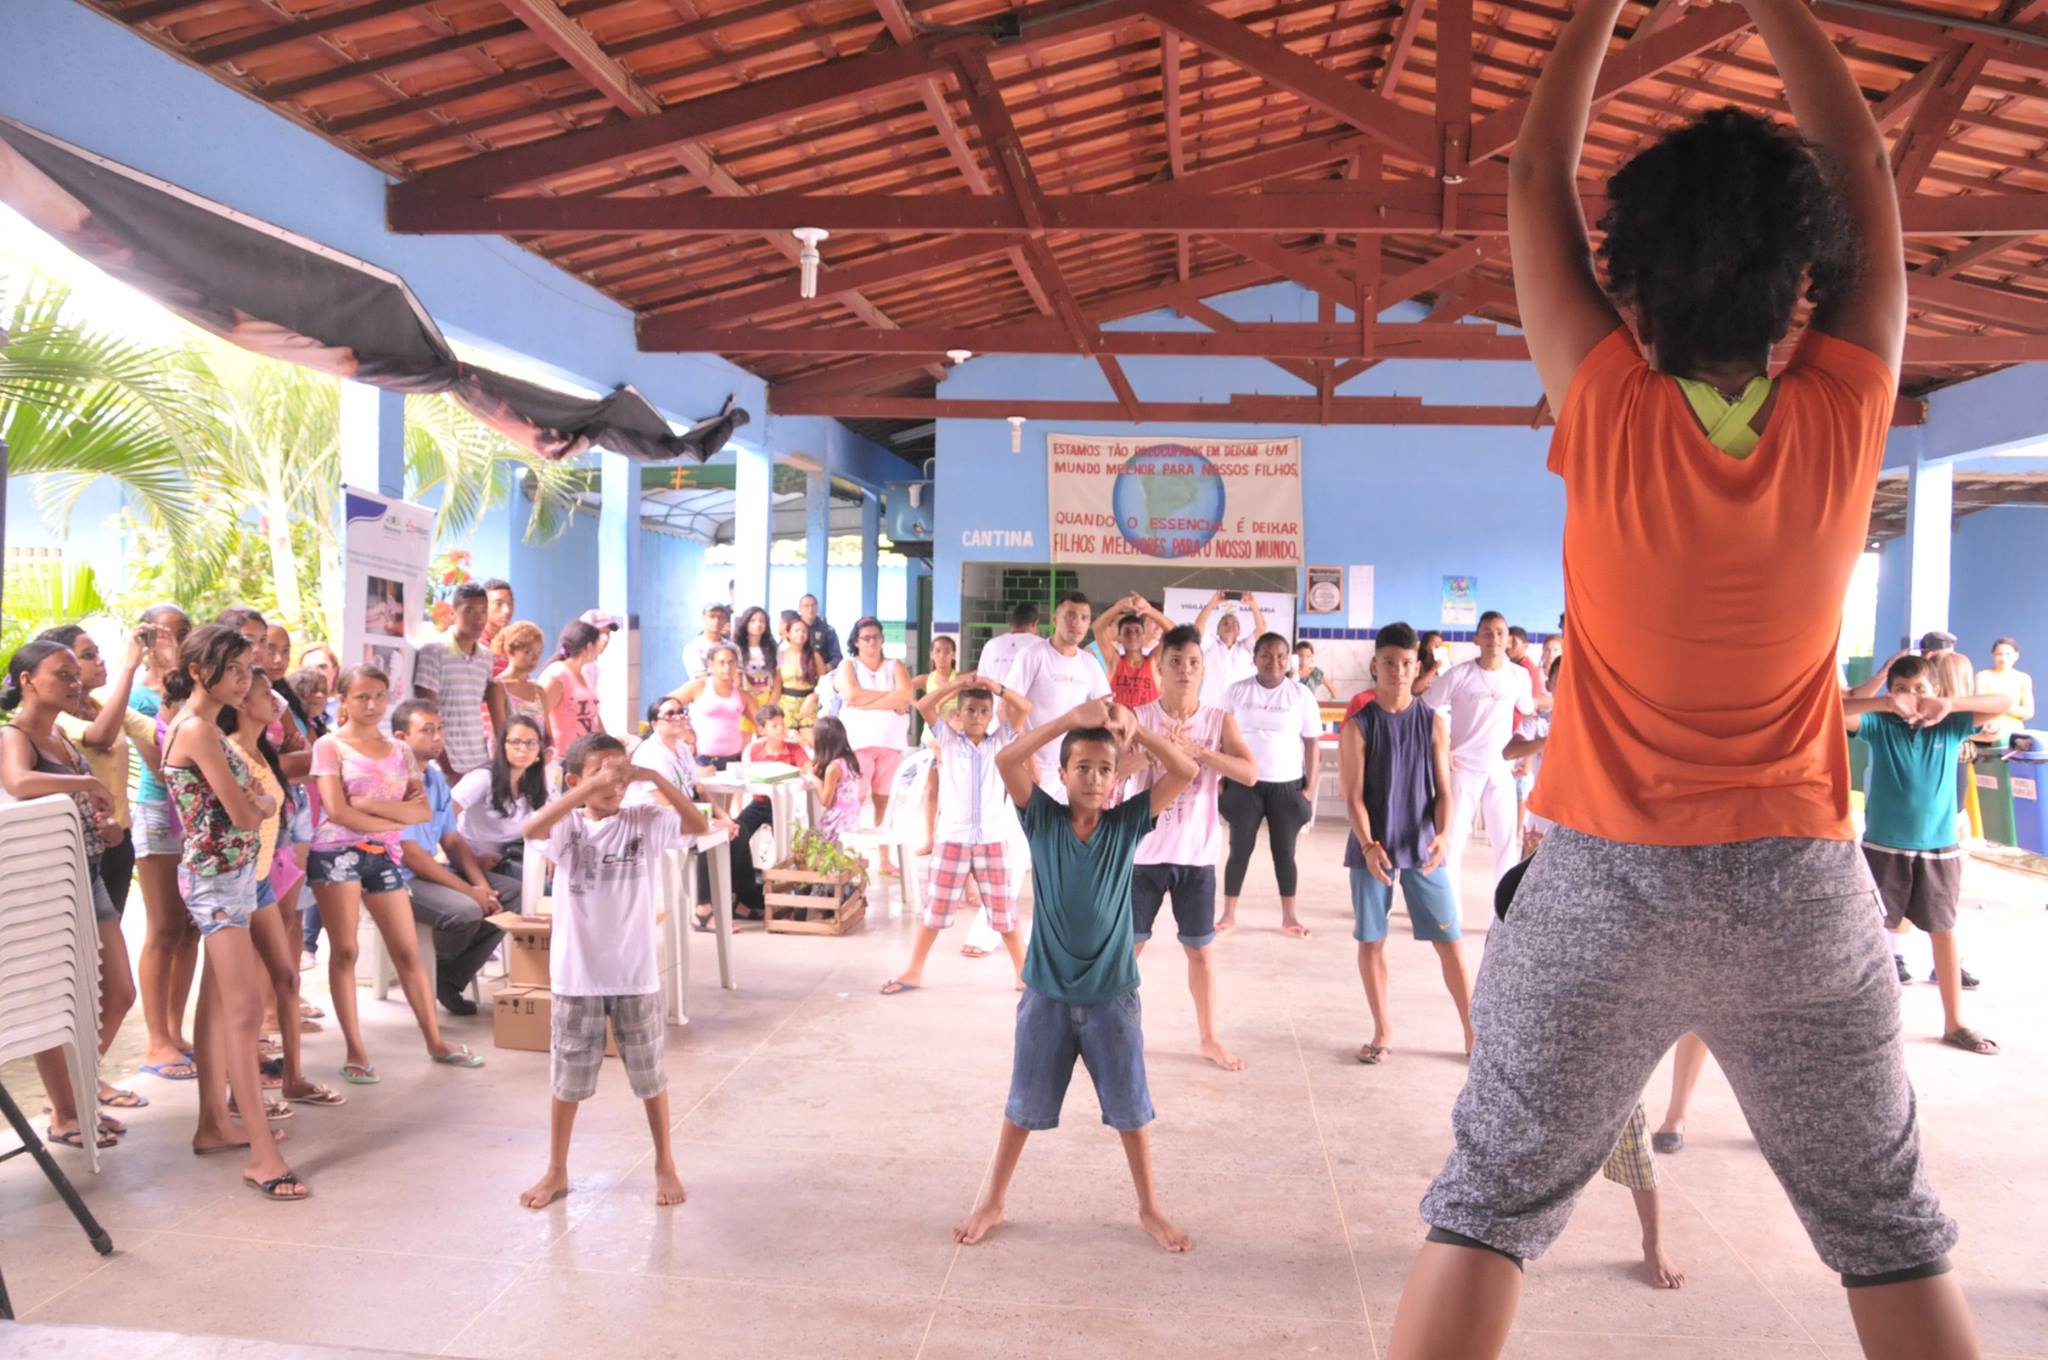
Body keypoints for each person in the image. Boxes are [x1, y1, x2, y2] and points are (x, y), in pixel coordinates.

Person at [1385, 0, 1980, 1350]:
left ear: (1631, 288)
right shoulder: (1846, 408)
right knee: (1889, 1231)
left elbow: (1537, 173)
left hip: (1603, 880)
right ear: (1803, 277)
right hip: (1802, 892)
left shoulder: (1605, 406)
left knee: (1486, 1209)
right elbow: (1871, 175)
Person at [951, 698, 1199, 1252]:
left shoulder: (1127, 823)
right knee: (1022, 1108)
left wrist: (1140, 730)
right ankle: (992, 1200)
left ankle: (1150, 1209)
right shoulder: (1041, 817)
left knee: (1131, 1113)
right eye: (1081, 768)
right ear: (1061, 775)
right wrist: (1066, 722)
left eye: (1105, 770)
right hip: (1047, 995)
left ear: (1117, 780)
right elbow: (1007, 761)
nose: (1092, 779)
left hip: (1113, 997)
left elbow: (1184, 771)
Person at [516, 732, 709, 1211]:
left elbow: (698, 824)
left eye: (620, 772)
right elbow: (530, 831)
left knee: (650, 1076)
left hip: (635, 973)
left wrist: (652, 776)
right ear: (575, 780)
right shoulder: (567, 827)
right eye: (603, 773)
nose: (615, 783)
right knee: (568, 1078)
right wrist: (589, 786)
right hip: (577, 975)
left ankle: (665, 1161)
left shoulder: (644, 820)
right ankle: (557, 1169)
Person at [155, 626, 306, 1198]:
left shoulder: (208, 728)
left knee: (221, 1006)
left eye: (250, 669)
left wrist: (258, 802)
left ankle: (215, 1125)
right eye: (237, 669)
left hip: (237, 876)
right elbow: (246, 815)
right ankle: (262, 1156)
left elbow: (251, 805)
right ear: (200, 672)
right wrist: (262, 802)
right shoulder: (196, 730)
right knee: (244, 1012)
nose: (247, 679)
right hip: (217, 882)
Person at [308, 665, 485, 1084]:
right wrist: (383, 816)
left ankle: (436, 1042)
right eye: (361, 697)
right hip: (337, 855)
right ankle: (355, 1049)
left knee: (407, 953)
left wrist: (368, 807)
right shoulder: (329, 747)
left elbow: (421, 812)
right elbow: (335, 811)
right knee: (346, 951)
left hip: (383, 855)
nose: (371, 706)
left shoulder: (400, 752)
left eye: (379, 697)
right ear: (343, 700)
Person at [2, 639, 131, 1149]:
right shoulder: (15, 734)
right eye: (63, 674)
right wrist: (81, 783)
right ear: (28, 680)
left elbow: (91, 809)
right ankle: (65, 1110)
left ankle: (78, 1092)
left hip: (89, 869)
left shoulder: (61, 734)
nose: (75, 682)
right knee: (55, 1002)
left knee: (118, 992)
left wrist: (110, 825)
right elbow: (15, 779)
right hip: (47, 881)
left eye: (77, 674)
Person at [1846, 655, 2008, 1056]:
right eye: (1903, 690)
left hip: (1938, 849)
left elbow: (2002, 701)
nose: (1912, 697)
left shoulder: (1951, 725)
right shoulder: (1880, 725)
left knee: (1944, 931)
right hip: (1884, 846)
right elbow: (1833, 710)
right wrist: (1883, 697)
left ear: (1935, 690)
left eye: (1921, 689)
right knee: (1867, 935)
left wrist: (1950, 704)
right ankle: (1859, 1021)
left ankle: (1955, 1023)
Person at [1118, 625, 1255, 1069]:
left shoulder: (1219, 721)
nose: (1184, 669)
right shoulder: (1136, 717)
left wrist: (1198, 752)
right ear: (1160, 668)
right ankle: (1116, 1032)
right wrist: (1156, 752)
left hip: (1196, 856)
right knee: (1128, 948)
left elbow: (1249, 772)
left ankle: (1209, 1038)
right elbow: (1114, 769)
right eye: (1175, 661)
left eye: (1193, 662)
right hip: (1142, 855)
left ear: (1203, 669)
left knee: (1200, 951)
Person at [1339, 622, 1471, 1063]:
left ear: (1418, 667)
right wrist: (1369, 845)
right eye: (1390, 663)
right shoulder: (1359, 725)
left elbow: (1444, 791)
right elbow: (1353, 797)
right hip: (1372, 849)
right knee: (1372, 940)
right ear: (1375, 665)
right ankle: (1382, 1029)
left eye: (1407, 664)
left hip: (1422, 847)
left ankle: (1473, 1033)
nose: (1398, 672)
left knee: (1449, 940)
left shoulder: (1433, 722)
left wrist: (1445, 835)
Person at [224, 666, 343, 1115]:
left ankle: (293, 1079)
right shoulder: (231, 752)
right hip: (240, 882)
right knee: (244, 994)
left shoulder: (265, 751)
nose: (276, 698)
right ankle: (241, 1093)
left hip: (264, 878)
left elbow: (316, 759)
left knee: (287, 977)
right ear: (239, 702)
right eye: (263, 693)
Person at [881, 672, 1032, 995]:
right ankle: (913, 971)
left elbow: (1025, 707)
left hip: (991, 839)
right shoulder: (948, 740)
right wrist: (956, 685)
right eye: (970, 711)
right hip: (953, 839)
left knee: (1004, 911)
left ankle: (1023, 974)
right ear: (959, 715)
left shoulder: (1000, 742)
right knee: (936, 910)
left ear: (992, 715)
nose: (977, 716)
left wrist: (996, 688)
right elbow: (923, 704)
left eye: (983, 711)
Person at [390, 699, 520, 1015]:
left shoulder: (434, 777)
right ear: (401, 737)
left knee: (513, 893)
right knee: (466, 910)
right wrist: (471, 892)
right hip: (397, 879)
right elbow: (412, 857)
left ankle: (449, 978)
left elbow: (452, 839)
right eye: (427, 730)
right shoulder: (392, 780)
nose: (438, 737)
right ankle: (431, 970)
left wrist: (480, 884)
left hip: (430, 870)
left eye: (440, 729)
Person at [130, 603, 201, 1081]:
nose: (169, 641)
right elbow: (164, 759)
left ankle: (176, 1030)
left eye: (179, 633)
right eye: (160, 634)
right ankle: (156, 1039)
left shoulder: (194, 687)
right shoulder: (137, 696)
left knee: (191, 927)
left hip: (197, 812)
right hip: (159, 811)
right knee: (163, 927)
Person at [1218, 632, 1323, 938]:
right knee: (1239, 850)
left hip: (1287, 786)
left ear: (1288, 659)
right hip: (1243, 785)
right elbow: (1219, 738)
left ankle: (1289, 917)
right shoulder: (1236, 692)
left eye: (1280, 656)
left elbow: (1312, 744)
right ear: (1254, 659)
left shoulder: (1301, 695)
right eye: (1265, 655)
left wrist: (1309, 789)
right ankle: (1228, 915)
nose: (1273, 662)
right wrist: (1220, 782)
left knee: (1284, 853)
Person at [1431, 611, 1535, 911]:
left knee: (1506, 844)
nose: (1494, 639)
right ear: (1477, 639)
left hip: (1500, 771)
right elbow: (1428, 709)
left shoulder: (1519, 676)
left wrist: (1522, 754)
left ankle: (1503, 912)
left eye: (1500, 633)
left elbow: (1527, 711)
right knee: (1452, 842)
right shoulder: (1458, 675)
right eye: (1487, 633)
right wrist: (1443, 749)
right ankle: (1448, 911)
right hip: (1463, 769)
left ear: (1509, 639)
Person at [1002, 593, 1111, 796]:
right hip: (1033, 768)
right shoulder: (1033, 655)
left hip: (1072, 770)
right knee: (1021, 828)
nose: (1077, 623)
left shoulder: (1089, 664)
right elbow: (1008, 709)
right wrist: (1027, 758)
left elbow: (1106, 709)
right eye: (1070, 615)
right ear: (1055, 620)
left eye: (1084, 618)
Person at [835, 617, 914, 873]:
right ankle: (852, 856)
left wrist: (866, 701)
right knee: (854, 800)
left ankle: (884, 859)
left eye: (876, 637)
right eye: (866, 638)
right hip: (857, 746)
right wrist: (891, 699)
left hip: (891, 746)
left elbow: (906, 696)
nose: (871, 642)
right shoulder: (849, 666)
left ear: (882, 640)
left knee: (884, 801)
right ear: (856, 642)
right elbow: (851, 695)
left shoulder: (894, 666)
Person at [412, 582, 507, 779]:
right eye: (469, 611)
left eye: (483, 611)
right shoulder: (433, 651)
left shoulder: (486, 657)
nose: (478, 618)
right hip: (445, 767)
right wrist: (446, 768)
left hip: (479, 763)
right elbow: (427, 713)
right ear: (453, 615)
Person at [453, 715, 549, 873]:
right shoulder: (483, 778)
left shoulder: (534, 781)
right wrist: (469, 859)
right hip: (480, 862)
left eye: (531, 743)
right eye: (516, 742)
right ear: (502, 745)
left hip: (518, 855)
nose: (523, 749)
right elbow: (442, 818)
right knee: (544, 889)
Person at [667, 643, 749, 772]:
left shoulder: (741, 694)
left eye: (731, 662)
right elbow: (665, 706)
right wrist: (684, 730)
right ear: (711, 665)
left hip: (734, 760)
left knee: (735, 792)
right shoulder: (699, 686)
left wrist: (748, 739)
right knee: (703, 792)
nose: (726, 667)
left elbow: (764, 720)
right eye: (721, 663)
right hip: (702, 760)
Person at [1091, 592, 1168, 710]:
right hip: (1118, 726)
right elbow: (1097, 628)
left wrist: (1150, 610)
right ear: (1119, 637)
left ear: (1144, 636)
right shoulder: (1114, 661)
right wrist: (1117, 608)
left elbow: (1173, 632)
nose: (1132, 635)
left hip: (1147, 727)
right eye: (1127, 631)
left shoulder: (1153, 662)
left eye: (1137, 631)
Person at [539, 620, 607, 754]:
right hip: (563, 755)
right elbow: (540, 712)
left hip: (584, 754)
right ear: (589, 646)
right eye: (597, 643)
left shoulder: (582, 673)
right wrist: (550, 743)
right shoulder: (558, 674)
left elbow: (592, 714)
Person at [1194, 590, 1261, 708]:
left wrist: (1254, 606)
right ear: (1217, 630)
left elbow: (1261, 629)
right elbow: (1198, 627)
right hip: (1210, 707)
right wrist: (1212, 603)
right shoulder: (1210, 644)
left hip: (1240, 708)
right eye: (1225, 623)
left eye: (1234, 623)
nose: (1230, 625)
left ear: (1239, 631)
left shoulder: (1246, 647)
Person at [804, 716, 863, 843]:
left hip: (839, 819)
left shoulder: (833, 767)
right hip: (852, 815)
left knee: (808, 836)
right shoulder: (849, 759)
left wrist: (815, 779)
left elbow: (826, 801)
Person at [732, 606, 783, 737]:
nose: (758, 624)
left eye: (762, 621)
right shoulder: (736, 648)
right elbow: (736, 682)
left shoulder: (773, 648)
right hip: (745, 702)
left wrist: (770, 705)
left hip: (767, 699)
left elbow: (777, 680)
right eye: (753, 620)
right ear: (745, 623)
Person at [490, 621, 549, 733]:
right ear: (510, 651)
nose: (535, 658)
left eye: (539, 653)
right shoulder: (498, 687)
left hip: (538, 749)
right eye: (528, 652)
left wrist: (550, 749)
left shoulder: (538, 690)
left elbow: (548, 735)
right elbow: (501, 734)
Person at [1974, 637, 2033, 745]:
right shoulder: (1982, 676)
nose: (2003, 658)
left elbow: (2028, 712)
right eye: (1999, 654)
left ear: (2016, 656)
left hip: (2014, 736)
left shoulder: (2023, 678)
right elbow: (1978, 708)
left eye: (2008, 654)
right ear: (1992, 655)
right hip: (1987, 732)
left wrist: (2002, 706)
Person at [776, 615, 822, 740]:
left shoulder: (814, 655)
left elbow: (824, 682)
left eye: (804, 631)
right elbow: (776, 686)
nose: (800, 634)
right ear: (788, 634)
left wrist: (813, 697)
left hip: (809, 705)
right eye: (796, 630)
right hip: (786, 706)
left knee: (811, 743)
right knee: (790, 743)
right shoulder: (780, 655)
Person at [976, 601, 1041, 684]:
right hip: (1025, 697)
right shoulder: (1041, 646)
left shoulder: (991, 644)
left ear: (1012, 624)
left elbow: (981, 680)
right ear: (1035, 623)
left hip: (994, 696)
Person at [682, 603, 732, 681]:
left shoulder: (732, 647)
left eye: (720, 617)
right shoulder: (693, 648)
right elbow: (702, 680)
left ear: (726, 621)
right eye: (712, 616)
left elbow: (738, 678)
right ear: (703, 618)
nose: (716, 621)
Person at [798, 593, 844, 671]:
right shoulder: (792, 628)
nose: (810, 609)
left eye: (813, 605)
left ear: (817, 607)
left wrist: (825, 668)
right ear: (799, 608)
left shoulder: (828, 630)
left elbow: (837, 657)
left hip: (821, 676)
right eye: (806, 606)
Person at [480, 579, 515, 675]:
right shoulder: (475, 644)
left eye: (510, 604)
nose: (507, 610)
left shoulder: (516, 643)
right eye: (498, 604)